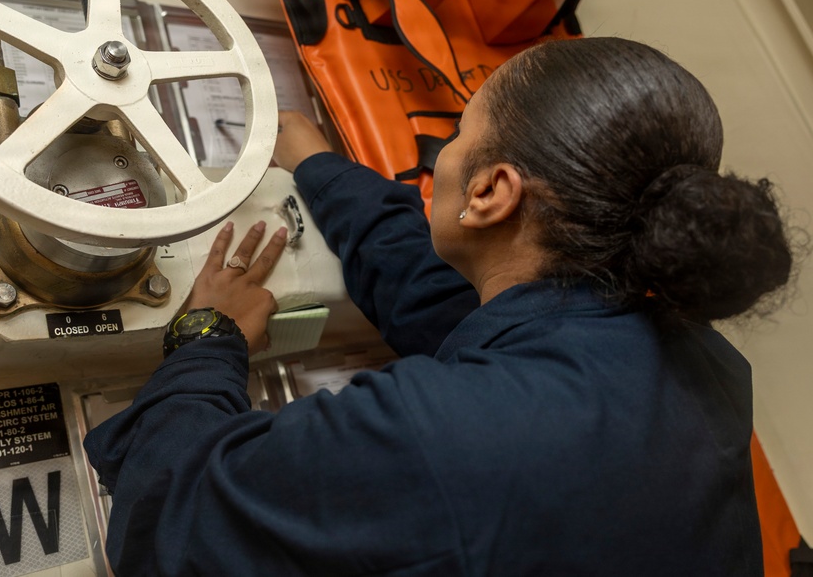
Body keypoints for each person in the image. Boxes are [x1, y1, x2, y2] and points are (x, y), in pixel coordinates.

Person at [83, 37, 799, 576]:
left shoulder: (446, 438)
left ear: (491, 192)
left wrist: (206, 338)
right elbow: (436, 294)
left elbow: (171, 515)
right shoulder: (704, 361)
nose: (441, 155)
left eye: (458, 131)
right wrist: (317, 164)